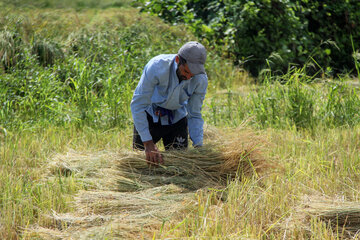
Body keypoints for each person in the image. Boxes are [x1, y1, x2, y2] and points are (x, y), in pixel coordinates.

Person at [130, 41, 208, 165]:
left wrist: (199, 147)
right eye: (186, 72)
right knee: (141, 164)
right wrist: (147, 142)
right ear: (178, 60)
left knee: (179, 165)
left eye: (192, 75)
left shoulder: (200, 79)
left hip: (177, 118)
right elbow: (138, 104)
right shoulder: (156, 67)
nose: (188, 78)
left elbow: (194, 114)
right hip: (151, 115)